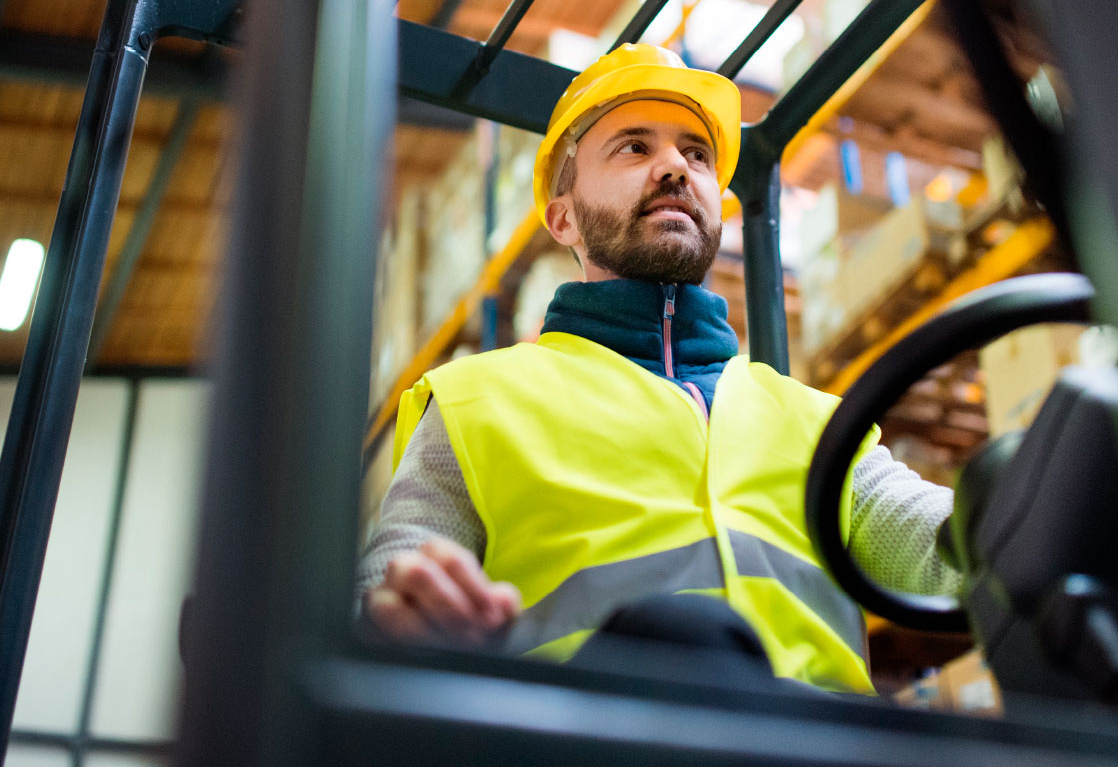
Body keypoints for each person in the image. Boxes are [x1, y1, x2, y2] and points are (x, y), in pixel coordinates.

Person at [356, 44, 959, 694]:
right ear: (563, 218)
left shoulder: (816, 421)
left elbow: (945, 548)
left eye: (696, 154)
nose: (674, 166)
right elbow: (390, 586)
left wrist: (1031, 499)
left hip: (815, 745)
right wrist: (411, 615)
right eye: (633, 147)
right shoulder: (476, 402)